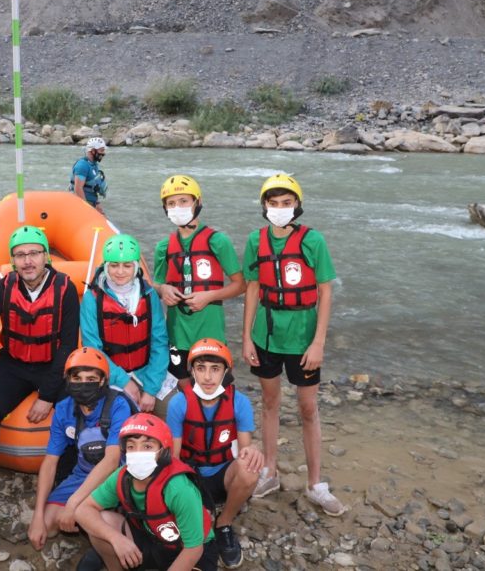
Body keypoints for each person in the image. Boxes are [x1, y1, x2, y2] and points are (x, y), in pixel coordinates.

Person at [0, 225, 80, 534]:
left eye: (34, 253)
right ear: (13, 261)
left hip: (52, 367)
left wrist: (48, 395)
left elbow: (67, 346)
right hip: (14, 364)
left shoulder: (65, 288)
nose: (27, 261)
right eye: (20, 255)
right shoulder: (6, 285)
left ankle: (62, 489)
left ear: (46, 256)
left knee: (73, 416)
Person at [241, 173, 344, 515]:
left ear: (297, 206)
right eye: (274, 203)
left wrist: (319, 343)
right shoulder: (256, 241)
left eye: (286, 203)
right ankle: (269, 471)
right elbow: (253, 288)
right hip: (266, 335)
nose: (280, 209)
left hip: (302, 338)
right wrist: (246, 339)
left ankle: (316, 483)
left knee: (308, 409)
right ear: (264, 207)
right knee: (269, 403)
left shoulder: (313, 241)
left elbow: (326, 290)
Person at [75, 413, 218, 571]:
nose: (138, 453)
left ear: (163, 451)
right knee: (104, 521)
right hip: (152, 538)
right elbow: (83, 510)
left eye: (147, 446)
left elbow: (194, 549)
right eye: (131, 446)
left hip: (188, 550)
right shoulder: (122, 476)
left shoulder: (179, 488)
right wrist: (115, 539)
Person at [167, 339, 262, 568]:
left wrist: (253, 452)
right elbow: (174, 458)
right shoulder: (178, 403)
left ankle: (224, 522)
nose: (207, 377)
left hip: (223, 474)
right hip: (192, 478)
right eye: (201, 369)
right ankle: (199, 514)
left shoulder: (240, 402)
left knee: (250, 469)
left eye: (215, 369)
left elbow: (245, 450)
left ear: (226, 372)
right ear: (192, 372)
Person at [28, 348, 134, 551]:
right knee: (49, 526)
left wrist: (73, 504)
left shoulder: (118, 405)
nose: (83, 384)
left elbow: (112, 460)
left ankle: (103, 526)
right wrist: (37, 516)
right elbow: (50, 462)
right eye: (77, 378)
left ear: (103, 380)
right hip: (83, 474)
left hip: (117, 477)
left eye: (91, 378)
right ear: (67, 379)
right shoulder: (63, 408)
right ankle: (90, 524)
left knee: (88, 515)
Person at [153, 175, 245, 389]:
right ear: (165, 208)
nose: (178, 207)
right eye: (171, 203)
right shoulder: (163, 247)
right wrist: (163, 288)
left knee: (215, 391)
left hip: (210, 330)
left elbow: (240, 284)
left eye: (184, 201)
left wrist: (210, 296)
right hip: (177, 333)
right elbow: (156, 285)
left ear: (197, 202)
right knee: (185, 391)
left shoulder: (218, 241)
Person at [81, 234, 169, 413]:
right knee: (117, 413)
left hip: (147, 373)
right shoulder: (92, 299)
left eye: (127, 266)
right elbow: (93, 348)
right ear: (105, 267)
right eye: (114, 265)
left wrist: (151, 390)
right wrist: (123, 381)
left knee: (173, 407)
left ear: (136, 267)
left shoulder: (149, 295)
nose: (120, 272)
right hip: (110, 375)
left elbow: (160, 343)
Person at [69, 136, 108, 213]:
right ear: (93, 151)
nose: (103, 153)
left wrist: (97, 203)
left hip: (92, 203)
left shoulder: (93, 164)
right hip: (82, 205)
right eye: (102, 150)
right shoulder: (82, 166)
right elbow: (78, 189)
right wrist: (87, 209)